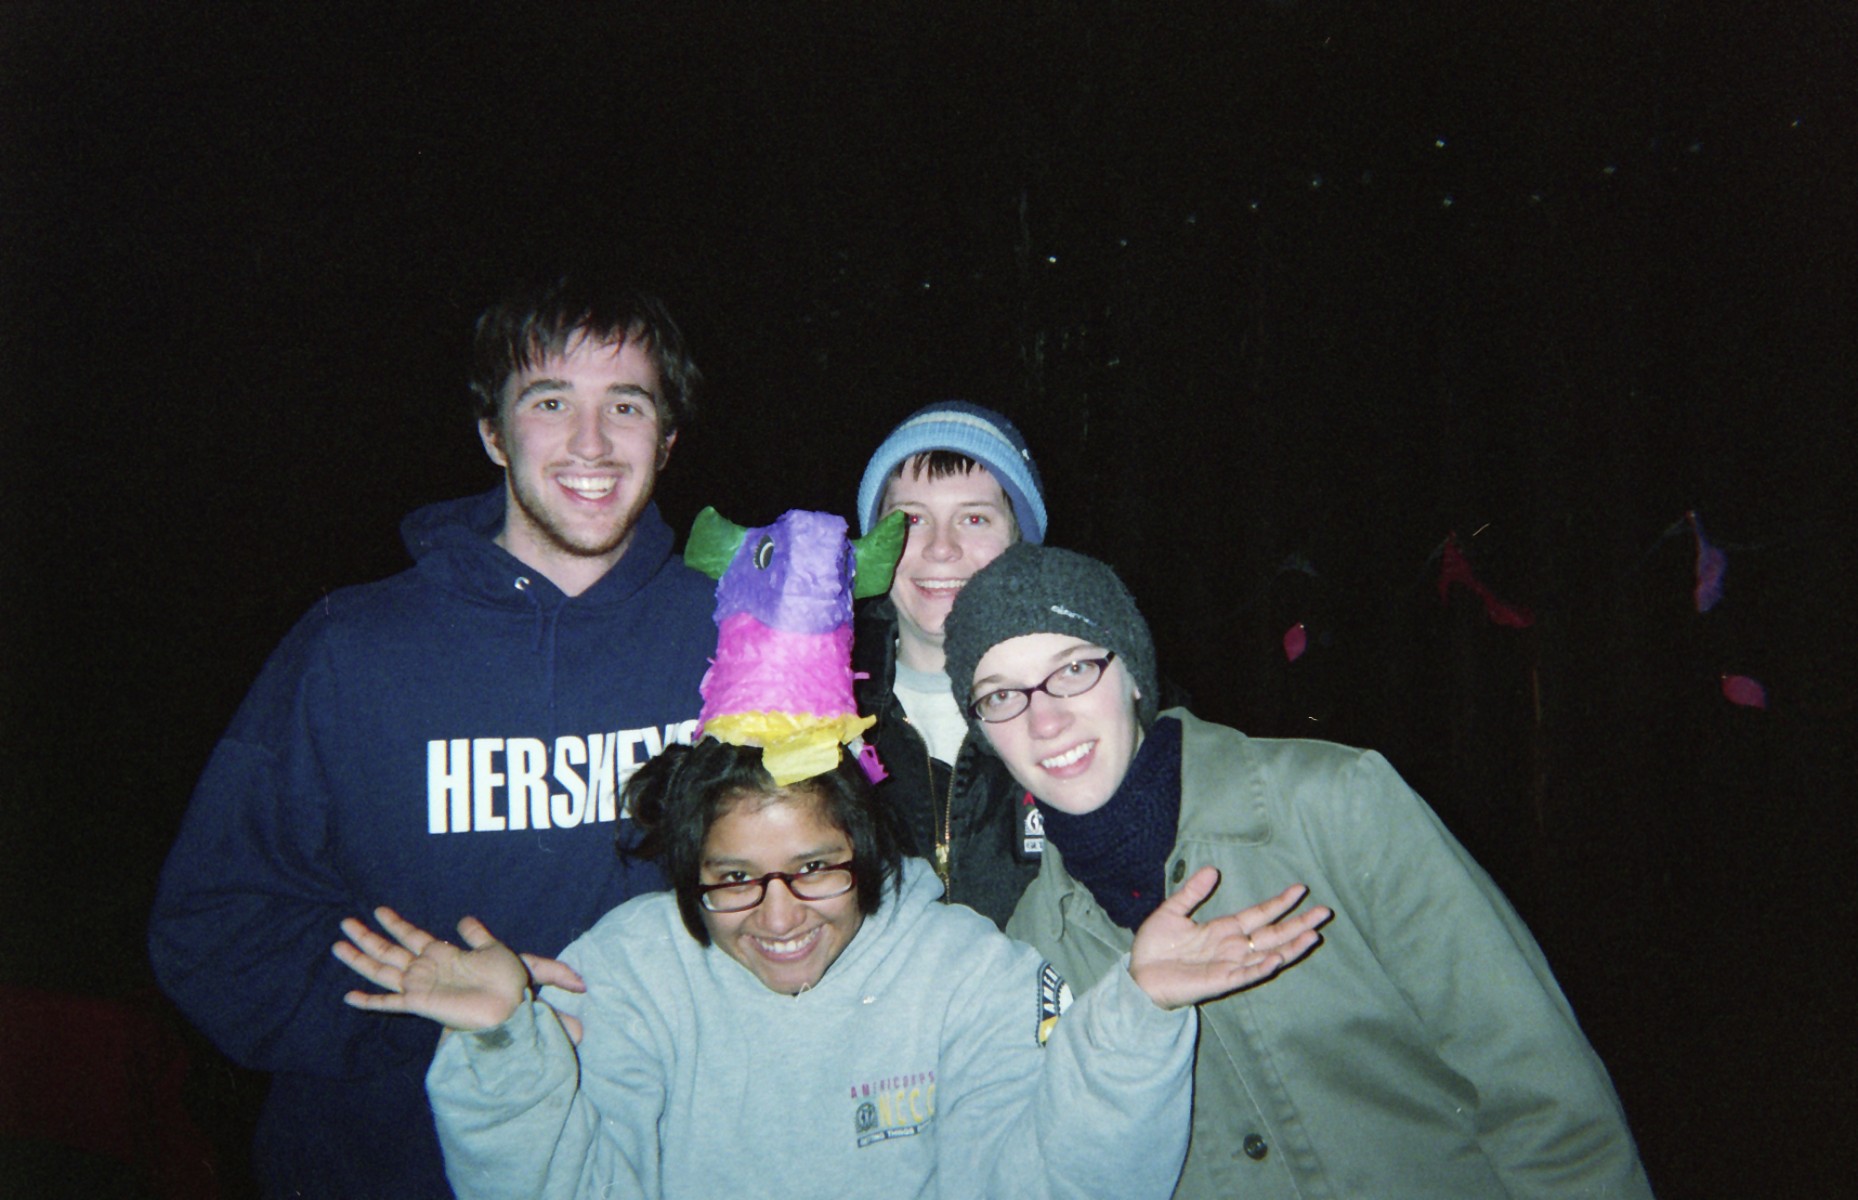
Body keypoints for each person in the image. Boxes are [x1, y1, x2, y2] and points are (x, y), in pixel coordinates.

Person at [147, 278, 719, 1199]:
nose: (591, 443)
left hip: (663, 1161)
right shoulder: (351, 649)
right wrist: (441, 1009)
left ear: (668, 438)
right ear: (493, 433)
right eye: (549, 402)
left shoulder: (730, 638)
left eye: (626, 405)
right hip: (389, 1161)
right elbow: (215, 928)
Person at [944, 544, 1657, 1200]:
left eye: (1073, 669)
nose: (1045, 721)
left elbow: (1540, 1093)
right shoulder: (1035, 942)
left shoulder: (1334, 803)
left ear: (1131, 672)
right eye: (1001, 695)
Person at [332, 737, 1330, 1200]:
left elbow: (1056, 1188)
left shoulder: (965, 971)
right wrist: (506, 1049)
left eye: (814, 868)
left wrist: (1141, 1014)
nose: (777, 918)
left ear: (865, 852)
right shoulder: (629, 968)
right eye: (734, 878)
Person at [851, 400, 1049, 926]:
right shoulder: (812, 716)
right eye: (912, 519)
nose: (941, 548)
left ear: (1019, 541)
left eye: (974, 518)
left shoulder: (1085, 704)